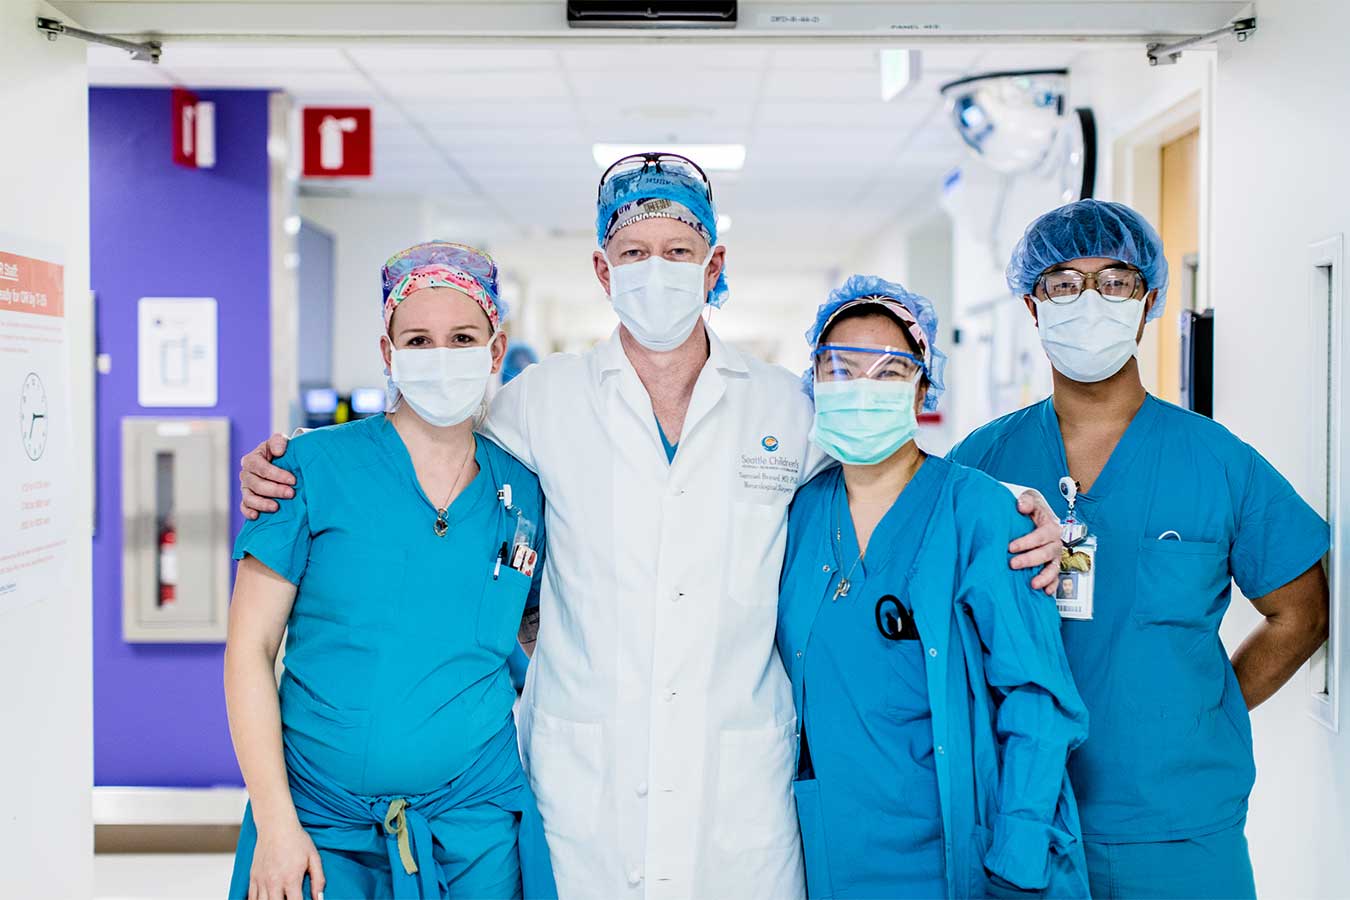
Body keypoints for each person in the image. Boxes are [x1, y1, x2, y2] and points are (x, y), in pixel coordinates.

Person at [237, 153, 1066, 897]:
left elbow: (890, 465)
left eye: (679, 250)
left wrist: (1010, 506)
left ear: (716, 264)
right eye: (634, 253)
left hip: (738, 790)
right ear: (602, 268)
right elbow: (422, 445)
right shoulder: (535, 404)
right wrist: (290, 467)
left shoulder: (785, 404)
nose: (656, 271)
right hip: (584, 786)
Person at [949, 199, 1331, 899]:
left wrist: (1206, 709)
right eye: (1063, 282)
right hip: (1025, 818)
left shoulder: (1216, 461)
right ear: (1034, 306)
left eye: (1115, 280)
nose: (1089, 300)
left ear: (1149, 299)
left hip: (1182, 829)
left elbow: (1302, 611)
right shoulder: (981, 464)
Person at [224, 242, 554, 900]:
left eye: (462, 337)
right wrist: (276, 823)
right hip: (322, 830)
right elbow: (248, 650)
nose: (440, 356)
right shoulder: (305, 471)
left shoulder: (520, 492)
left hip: (475, 832)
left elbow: (538, 626)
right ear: (388, 352)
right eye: (418, 339)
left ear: (495, 350)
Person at [779, 275, 1090, 899]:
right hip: (829, 848)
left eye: (889, 373)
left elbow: (1038, 698)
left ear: (923, 388)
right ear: (813, 382)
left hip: (961, 849)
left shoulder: (979, 511)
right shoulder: (800, 511)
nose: (860, 390)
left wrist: (1019, 857)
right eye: (838, 370)